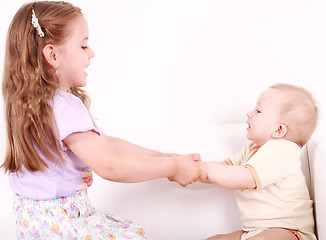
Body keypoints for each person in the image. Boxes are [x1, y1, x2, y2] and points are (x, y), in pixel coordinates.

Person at [1, 1, 203, 239]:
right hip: (63, 224)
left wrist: (162, 157)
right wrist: (174, 167)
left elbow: (104, 144)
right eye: (84, 45)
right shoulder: (64, 106)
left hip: (36, 226)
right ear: (52, 54)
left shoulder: (30, 105)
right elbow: (110, 166)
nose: (92, 52)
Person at [198, 83, 318, 240]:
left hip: (289, 232)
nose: (249, 113)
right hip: (257, 230)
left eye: (258, 110)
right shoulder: (252, 149)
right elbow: (226, 168)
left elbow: (243, 177)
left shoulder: (281, 150)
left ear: (279, 130)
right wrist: (196, 169)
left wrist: (205, 169)